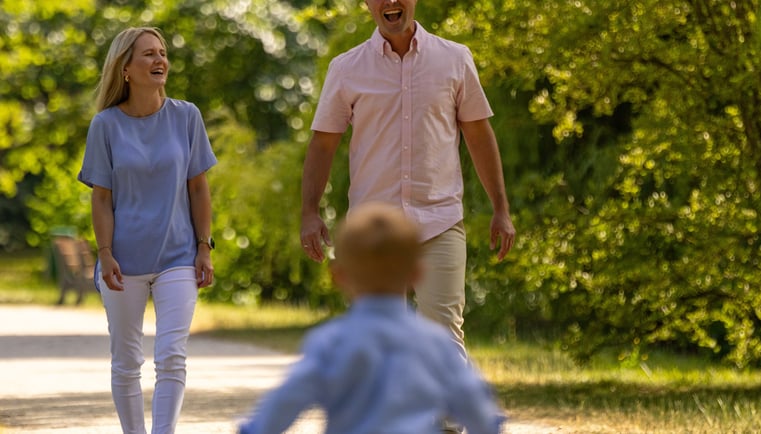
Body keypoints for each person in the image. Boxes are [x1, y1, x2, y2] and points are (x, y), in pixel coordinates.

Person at [301, 0, 514, 394]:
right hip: (373, 229)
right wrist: (309, 212)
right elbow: (323, 143)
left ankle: (449, 419)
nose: (391, 2)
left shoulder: (454, 59)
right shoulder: (346, 68)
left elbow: (479, 135)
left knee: (443, 331)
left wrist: (501, 208)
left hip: (439, 219)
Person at [240, 202, 505, 434]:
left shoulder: (330, 342)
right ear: (417, 273)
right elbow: (475, 406)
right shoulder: (436, 343)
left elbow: (287, 400)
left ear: (339, 276)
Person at [77, 27, 217, 434]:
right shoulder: (105, 125)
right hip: (123, 261)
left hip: (179, 256)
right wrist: (105, 254)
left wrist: (204, 246)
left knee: (171, 355)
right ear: (125, 69)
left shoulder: (186, 116)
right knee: (126, 360)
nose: (160, 61)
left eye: (162, 53)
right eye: (149, 54)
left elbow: (198, 187)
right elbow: (101, 198)